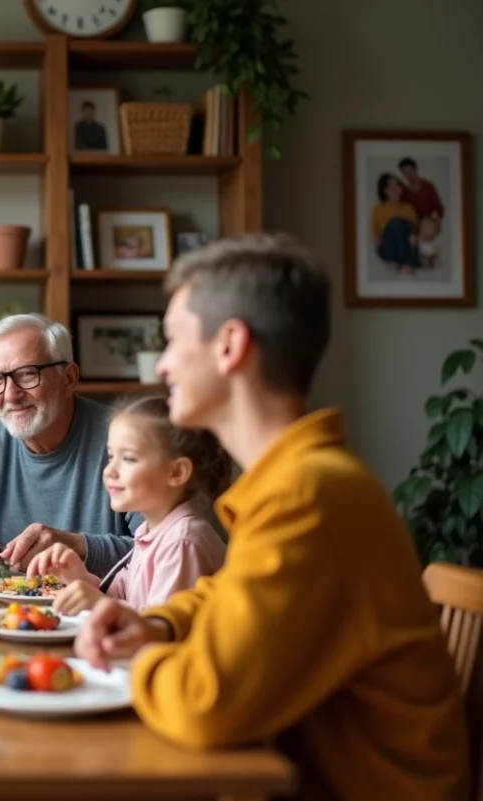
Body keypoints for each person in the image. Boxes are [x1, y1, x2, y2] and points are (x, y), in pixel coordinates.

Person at [75, 234, 469, 801]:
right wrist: (160, 626)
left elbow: (206, 705)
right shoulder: (300, 480)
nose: (161, 363)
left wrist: (129, 664)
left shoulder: (306, 495)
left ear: (230, 345)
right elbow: (232, 595)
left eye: (173, 340)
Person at [0, 314, 137, 580]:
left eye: (27, 375)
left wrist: (78, 547)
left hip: (108, 612)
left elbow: (165, 549)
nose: (10, 395)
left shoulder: (125, 438)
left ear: (69, 378)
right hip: (14, 614)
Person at [25, 395, 229, 616]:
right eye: (111, 456)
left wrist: (98, 604)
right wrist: (78, 576)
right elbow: (122, 598)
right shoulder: (150, 533)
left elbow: (159, 631)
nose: (109, 470)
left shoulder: (182, 542)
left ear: (177, 472)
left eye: (129, 458)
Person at [371, 172, 420, 275]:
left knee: (406, 227)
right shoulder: (380, 209)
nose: (395, 188)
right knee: (396, 223)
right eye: (390, 185)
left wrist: (414, 236)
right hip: (389, 247)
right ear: (385, 191)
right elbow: (377, 236)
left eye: (396, 184)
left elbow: (416, 230)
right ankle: (406, 263)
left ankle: (409, 262)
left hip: (408, 244)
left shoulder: (408, 208)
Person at [398, 156, 445, 222]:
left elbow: (437, 209)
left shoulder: (428, 187)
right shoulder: (404, 192)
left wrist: (433, 220)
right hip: (412, 226)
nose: (408, 175)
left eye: (410, 171)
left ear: (416, 169)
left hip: (428, 224)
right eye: (405, 173)